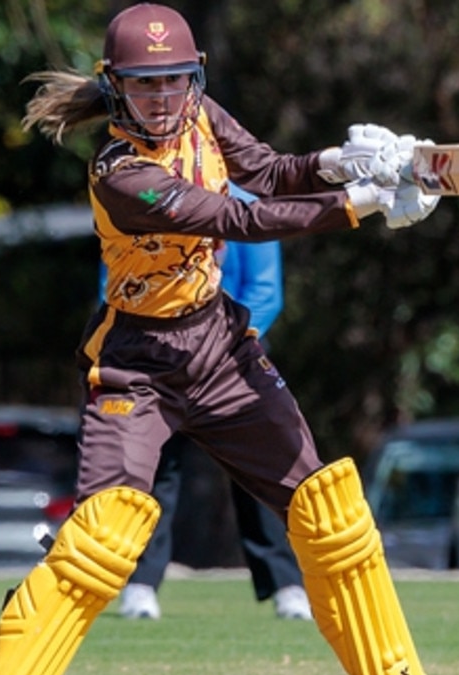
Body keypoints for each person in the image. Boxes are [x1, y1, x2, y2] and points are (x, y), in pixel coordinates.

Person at [0, 5, 440, 675]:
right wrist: (357, 202)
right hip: (137, 364)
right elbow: (234, 217)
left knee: (327, 511)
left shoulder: (203, 115)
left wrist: (341, 162)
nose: (163, 98)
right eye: (146, 84)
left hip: (221, 348)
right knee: (100, 541)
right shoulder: (121, 173)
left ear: (194, 77)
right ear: (115, 86)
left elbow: (272, 174)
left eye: (175, 81)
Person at [105, 183, 312, 622]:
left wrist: (214, 345)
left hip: (236, 353)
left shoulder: (246, 206)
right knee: (154, 471)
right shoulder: (142, 196)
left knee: (262, 471)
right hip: (157, 354)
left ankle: (286, 585)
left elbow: (265, 291)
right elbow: (116, 282)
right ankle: (140, 584)